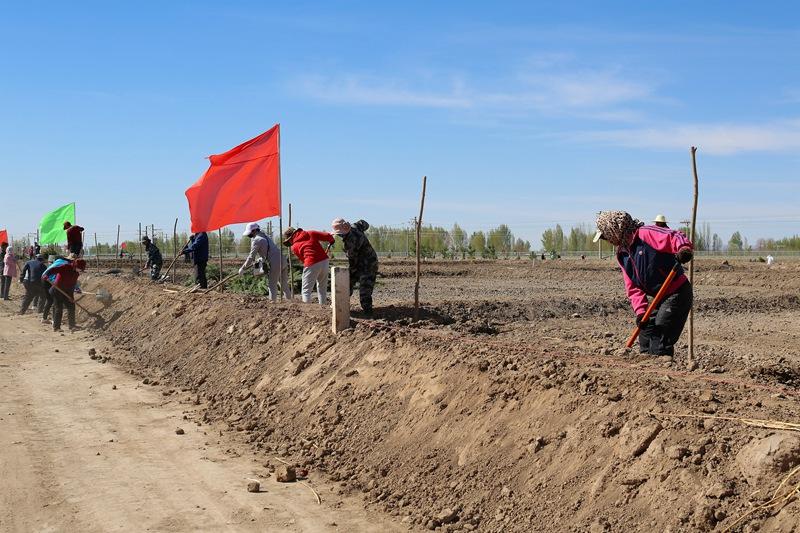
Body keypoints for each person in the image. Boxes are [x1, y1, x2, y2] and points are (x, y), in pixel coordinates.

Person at [594, 211, 694, 357]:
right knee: (646, 333)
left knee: (660, 334)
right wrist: (641, 312)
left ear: (614, 229)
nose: (606, 239)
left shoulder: (645, 234)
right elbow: (632, 287)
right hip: (658, 297)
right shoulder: (622, 253)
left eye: (605, 235)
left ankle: (662, 369)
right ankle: (646, 370)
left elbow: (674, 235)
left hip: (676, 292)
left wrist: (683, 248)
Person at [332, 218, 379, 314]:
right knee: (347, 282)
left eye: (340, 234)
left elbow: (352, 260)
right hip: (363, 262)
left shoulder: (350, 242)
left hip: (368, 264)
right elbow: (365, 223)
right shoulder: (355, 226)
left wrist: (352, 272)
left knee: (365, 287)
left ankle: (368, 311)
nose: (340, 236)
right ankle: (341, 305)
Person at [283, 226, 334, 305]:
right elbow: (328, 236)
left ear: (290, 238)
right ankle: (323, 307)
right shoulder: (310, 233)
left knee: (306, 290)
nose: (290, 243)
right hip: (324, 261)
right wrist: (332, 240)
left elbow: (303, 259)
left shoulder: (294, 247)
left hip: (311, 263)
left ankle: (307, 311)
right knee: (322, 287)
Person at [239, 222, 290, 301]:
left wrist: (243, 268)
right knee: (284, 285)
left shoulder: (257, 240)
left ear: (254, 231)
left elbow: (251, 257)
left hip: (275, 262)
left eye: (250, 233)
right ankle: (290, 303)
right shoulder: (266, 237)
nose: (249, 235)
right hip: (283, 259)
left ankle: (273, 305)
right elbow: (269, 250)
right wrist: (261, 259)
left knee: (272, 285)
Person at [44, 254, 86, 332]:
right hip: (57, 290)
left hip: (68, 290)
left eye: (81, 270)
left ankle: (72, 326)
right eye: (79, 269)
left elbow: (72, 283)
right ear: (75, 265)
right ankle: (56, 327)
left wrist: (75, 291)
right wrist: (47, 275)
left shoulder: (76, 273)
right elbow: (52, 270)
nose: (80, 271)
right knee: (58, 308)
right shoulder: (65, 267)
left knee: (71, 306)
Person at [40, 255, 69, 324]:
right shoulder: (63, 264)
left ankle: (44, 318)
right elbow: (54, 277)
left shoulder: (56, 264)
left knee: (50, 300)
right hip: (48, 281)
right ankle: (54, 320)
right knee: (54, 300)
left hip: (44, 280)